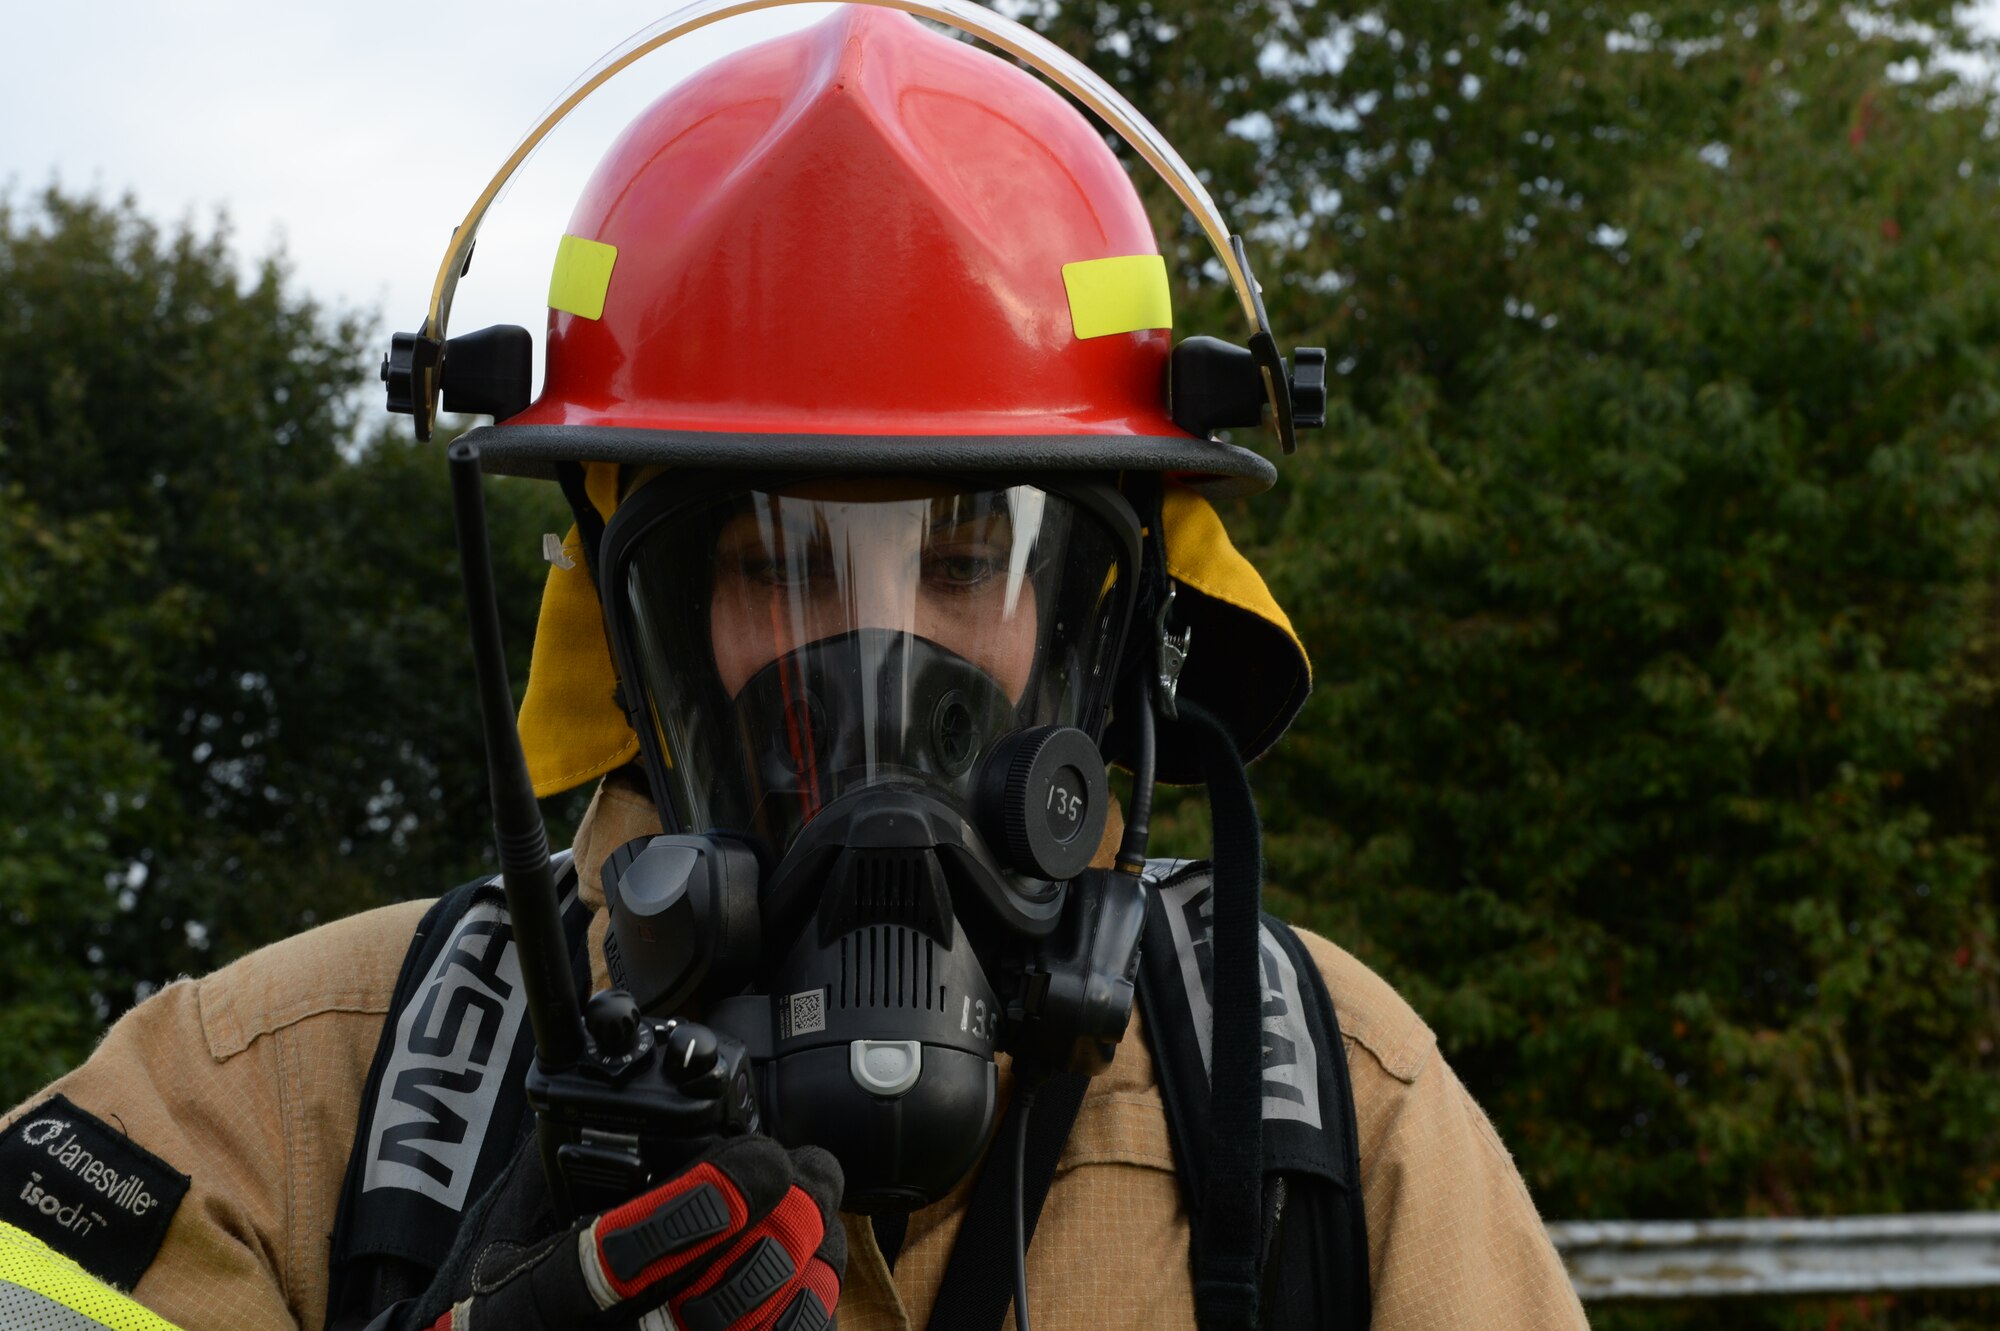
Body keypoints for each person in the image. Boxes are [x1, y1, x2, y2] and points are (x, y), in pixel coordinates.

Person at [0, 7, 1590, 1329]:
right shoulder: (290, 1098)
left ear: (1107, 617)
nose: (879, 668)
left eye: (968, 558)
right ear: (634, 620)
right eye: (777, 564)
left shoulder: (1324, 1108)